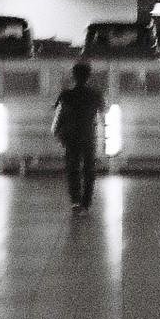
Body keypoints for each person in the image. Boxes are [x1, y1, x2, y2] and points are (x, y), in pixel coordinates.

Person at [52, 61, 105, 213]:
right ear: (88, 76)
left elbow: (58, 114)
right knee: (89, 169)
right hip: (89, 135)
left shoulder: (66, 95)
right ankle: (86, 203)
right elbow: (103, 111)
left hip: (71, 136)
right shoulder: (94, 94)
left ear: (73, 76)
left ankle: (75, 201)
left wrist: (58, 133)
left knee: (73, 168)